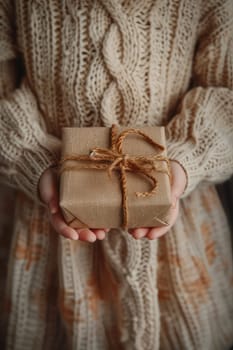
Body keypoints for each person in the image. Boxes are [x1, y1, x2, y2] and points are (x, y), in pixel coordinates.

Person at [0, 0, 232, 349]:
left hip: (175, 224)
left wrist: (183, 162)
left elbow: (226, 92)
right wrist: (35, 161)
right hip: (47, 230)